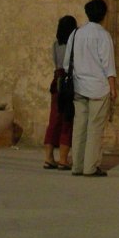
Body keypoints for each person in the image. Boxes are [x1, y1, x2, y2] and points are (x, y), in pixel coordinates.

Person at [64, 0, 117, 177]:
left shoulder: (76, 34)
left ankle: (77, 165)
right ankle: (90, 167)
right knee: (95, 128)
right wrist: (113, 88)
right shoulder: (103, 35)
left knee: (79, 127)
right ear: (103, 15)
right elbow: (108, 65)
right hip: (98, 88)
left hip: (79, 86)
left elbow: (67, 63)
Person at [42, 14, 77, 170]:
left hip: (56, 82)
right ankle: (63, 159)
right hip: (69, 83)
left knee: (54, 120)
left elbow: (56, 63)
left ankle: (49, 157)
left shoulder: (56, 45)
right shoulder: (74, 45)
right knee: (67, 121)